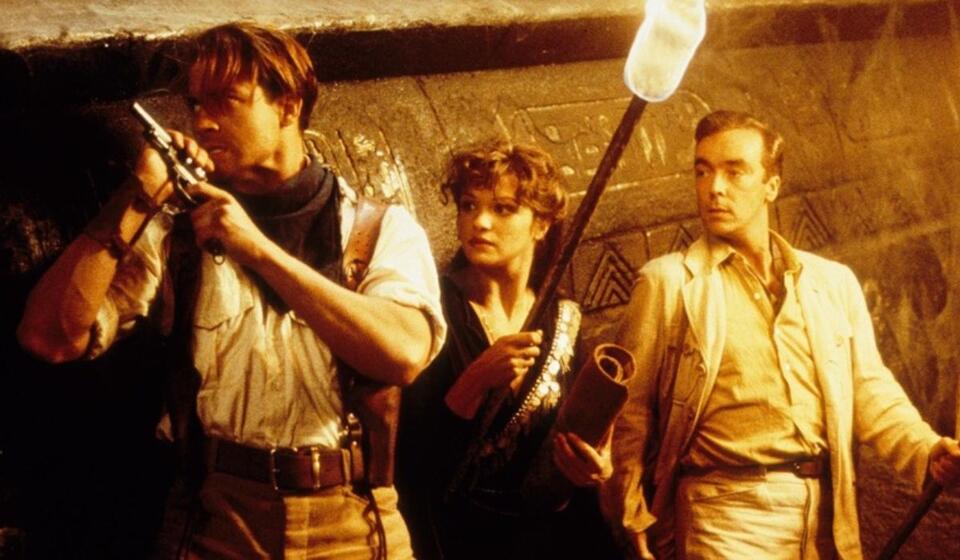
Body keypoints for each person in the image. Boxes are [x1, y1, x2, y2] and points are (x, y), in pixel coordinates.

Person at [16, 22, 445, 559]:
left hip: (353, 522)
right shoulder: (176, 235)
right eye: (196, 104)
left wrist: (258, 251)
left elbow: (402, 354)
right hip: (216, 518)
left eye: (226, 100)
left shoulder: (378, 230)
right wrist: (137, 197)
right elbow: (49, 337)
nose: (202, 121)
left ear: (288, 106)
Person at [602, 109, 960, 560]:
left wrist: (927, 450)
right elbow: (628, 417)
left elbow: (870, 391)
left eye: (735, 171)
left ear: (771, 185)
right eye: (702, 171)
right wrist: (631, 517)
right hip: (725, 515)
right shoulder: (669, 283)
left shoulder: (832, 282)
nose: (714, 188)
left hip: (827, 512)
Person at [396, 139, 621, 560]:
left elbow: (578, 440)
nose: (480, 222)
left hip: (552, 540)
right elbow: (410, 463)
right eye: (468, 206)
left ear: (541, 224)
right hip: (459, 542)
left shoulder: (563, 319)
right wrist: (474, 382)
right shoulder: (429, 312)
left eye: (503, 209)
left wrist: (596, 466)